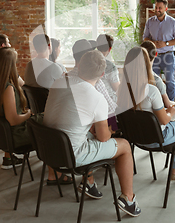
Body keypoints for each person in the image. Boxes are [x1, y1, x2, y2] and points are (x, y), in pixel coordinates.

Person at [44, 50, 141, 217]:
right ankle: (129, 199)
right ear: (102, 74)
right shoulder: (96, 98)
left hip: (48, 149)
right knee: (124, 146)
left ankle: (88, 183)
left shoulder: (59, 81)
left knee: (86, 134)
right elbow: (103, 138)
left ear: (79, 66)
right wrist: (110, 130)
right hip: (72, 155)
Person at [116, 46, 175, 183]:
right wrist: (171, 112)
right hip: (157, 139)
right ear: (147, 64)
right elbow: (164, 121)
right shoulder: (151, 90)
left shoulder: (121, 91)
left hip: (134, 138)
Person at [0, 47, 33, 168]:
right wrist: (29, 114)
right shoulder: (7, 88)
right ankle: (55, 172)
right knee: (47, 126)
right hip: (15, 136)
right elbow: (13, 120)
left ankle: (8, 158)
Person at [143, 0, 175, 102]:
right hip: (153, 56)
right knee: (152, 81)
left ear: (166, 8)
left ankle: (170, 104)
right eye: (156, 7)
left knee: (170, 81)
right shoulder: (150, 22)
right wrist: (152, 43)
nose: (157, 10)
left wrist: (166, 43)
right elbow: (145, 37)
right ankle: (157, 104)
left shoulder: (173, 22)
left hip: (168, 55)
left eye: (160, 8)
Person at [96, 34, 120, 103]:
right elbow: (117, 89)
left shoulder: (89, 61)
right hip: (108, 101)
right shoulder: (110, 66)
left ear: (97, 46)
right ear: (110, 49)